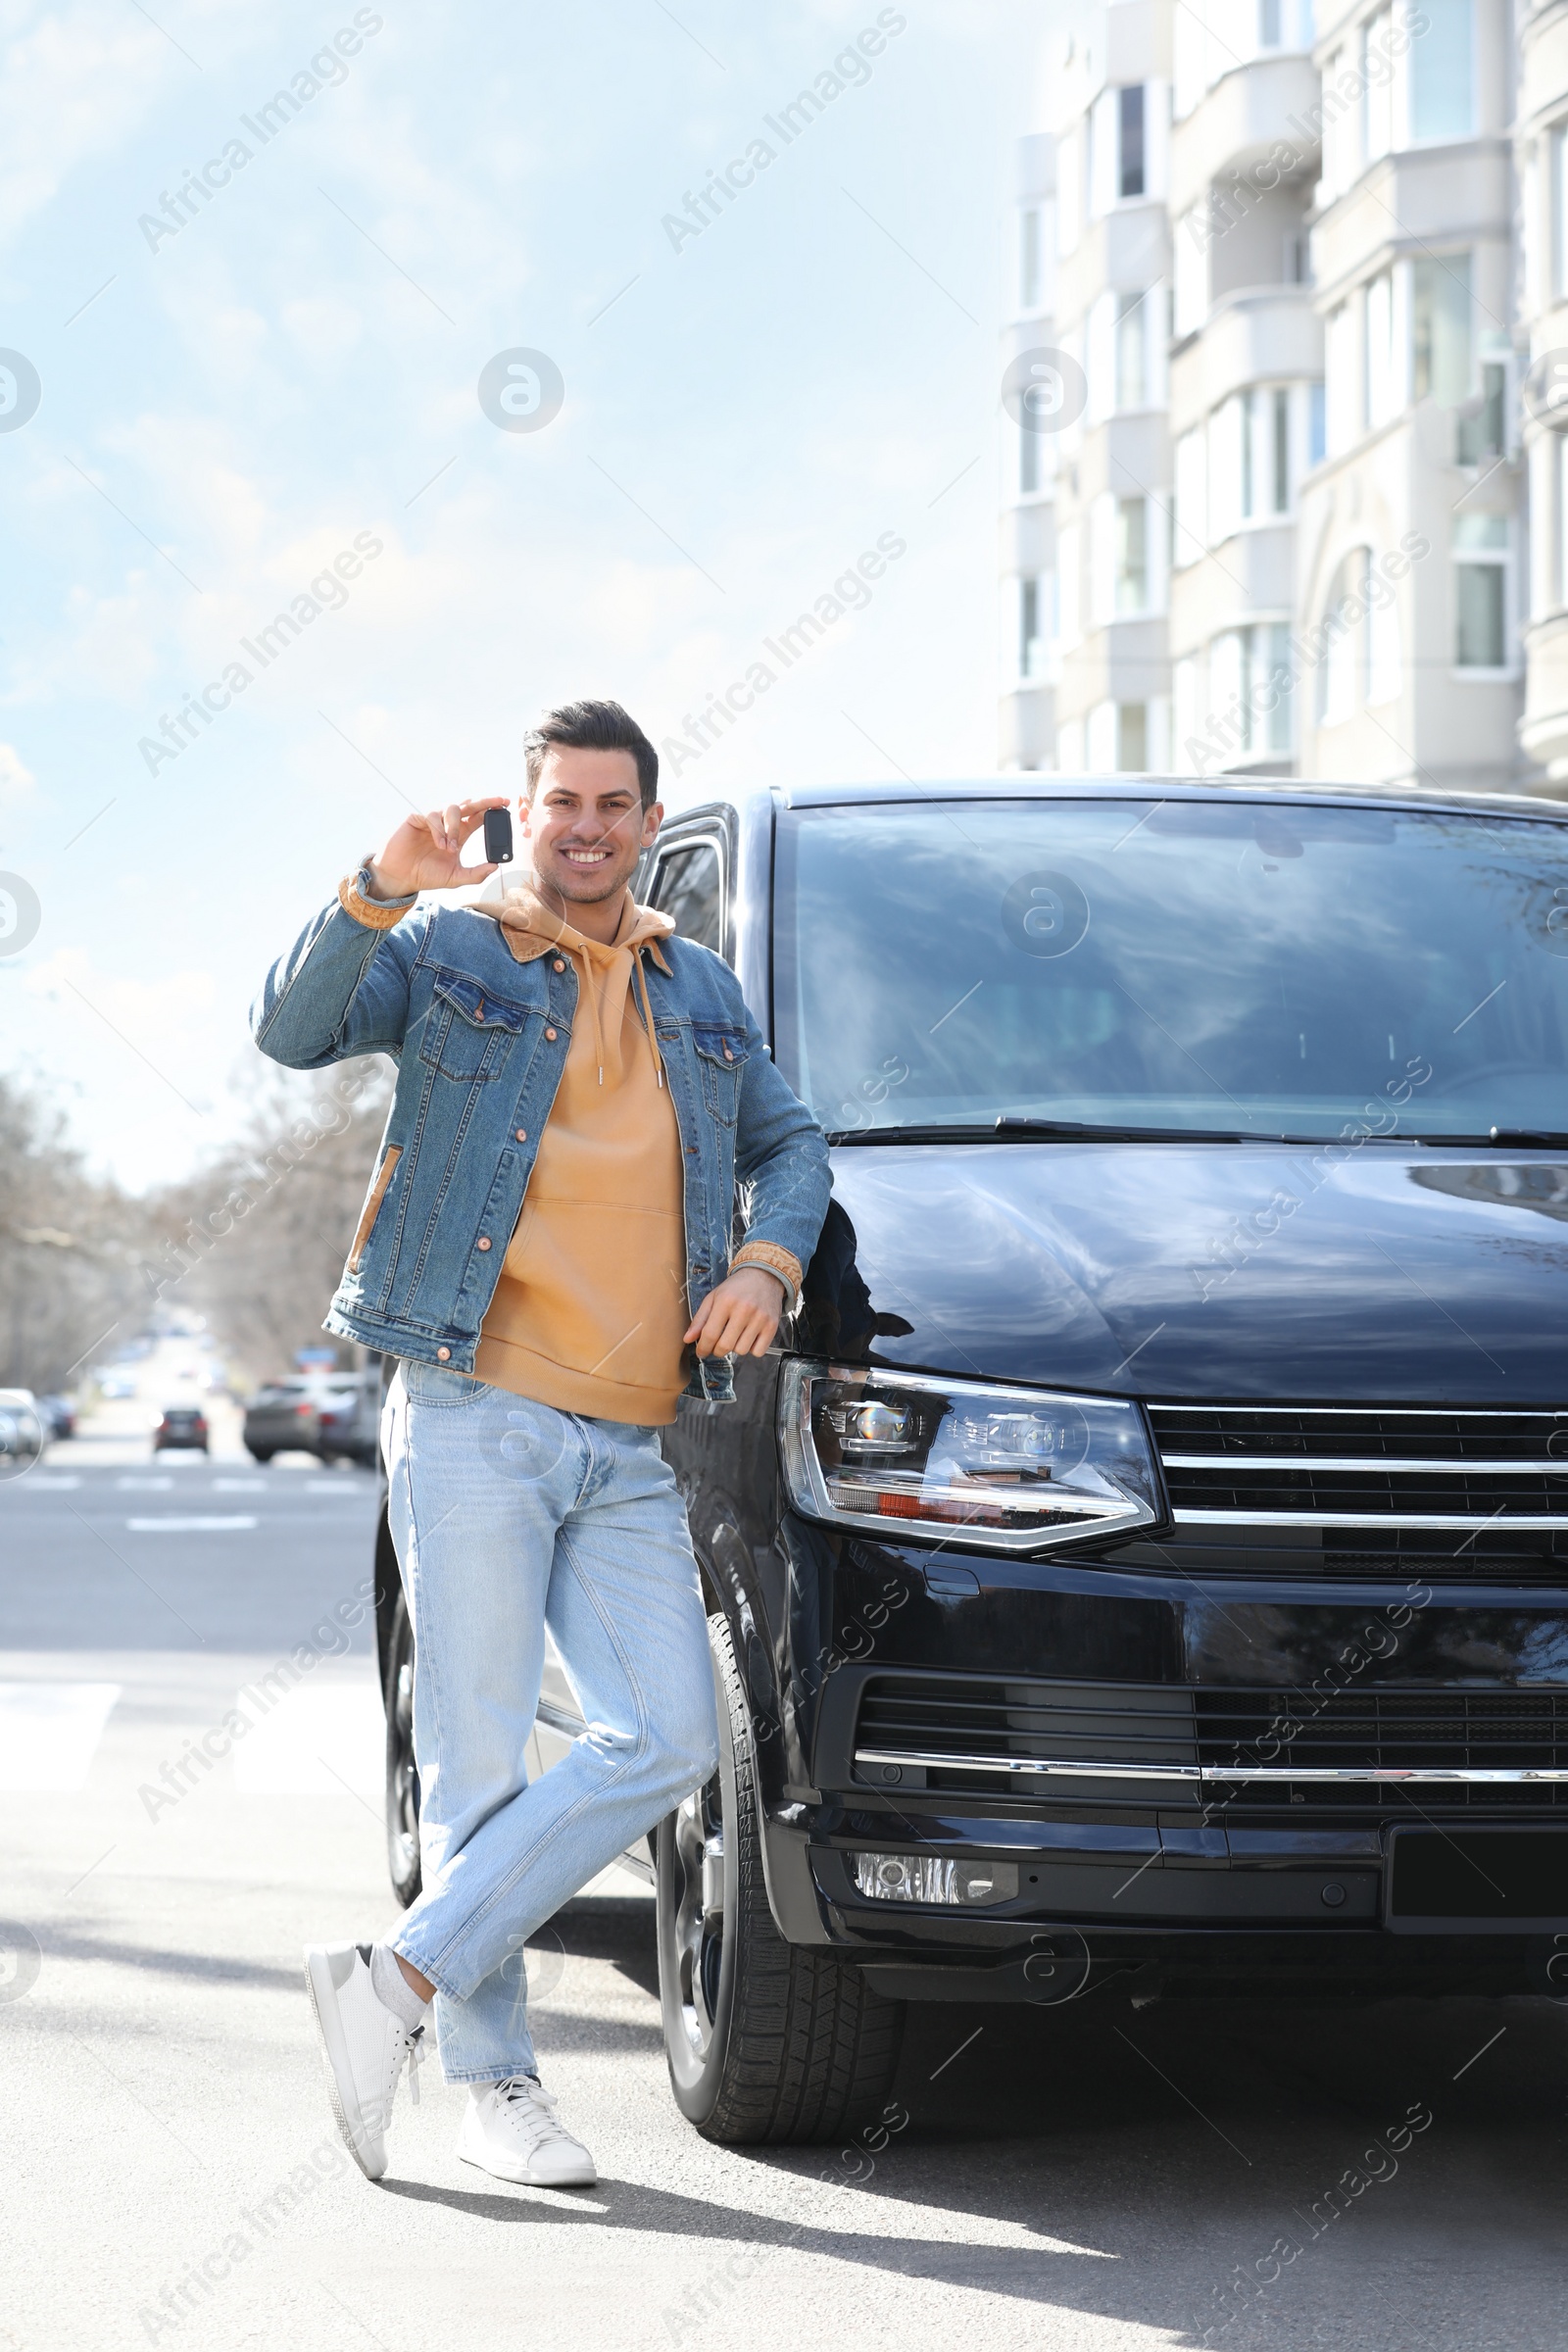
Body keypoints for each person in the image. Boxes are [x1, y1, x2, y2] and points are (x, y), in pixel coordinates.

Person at [251, 699, 830, 2186]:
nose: (585, 827)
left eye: (612, 805)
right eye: (560, 802)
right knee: (480, 1764)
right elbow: (294, 1027)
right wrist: (379, 881)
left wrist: (766, 1263)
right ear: (528, 813)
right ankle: (496, 2087)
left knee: (671, 1734)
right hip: (474, 1406)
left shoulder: (697, 987)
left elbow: (792, 1143)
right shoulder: (452, 954)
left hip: (633, 1436)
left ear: (648, 820)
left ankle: (395, 1981)